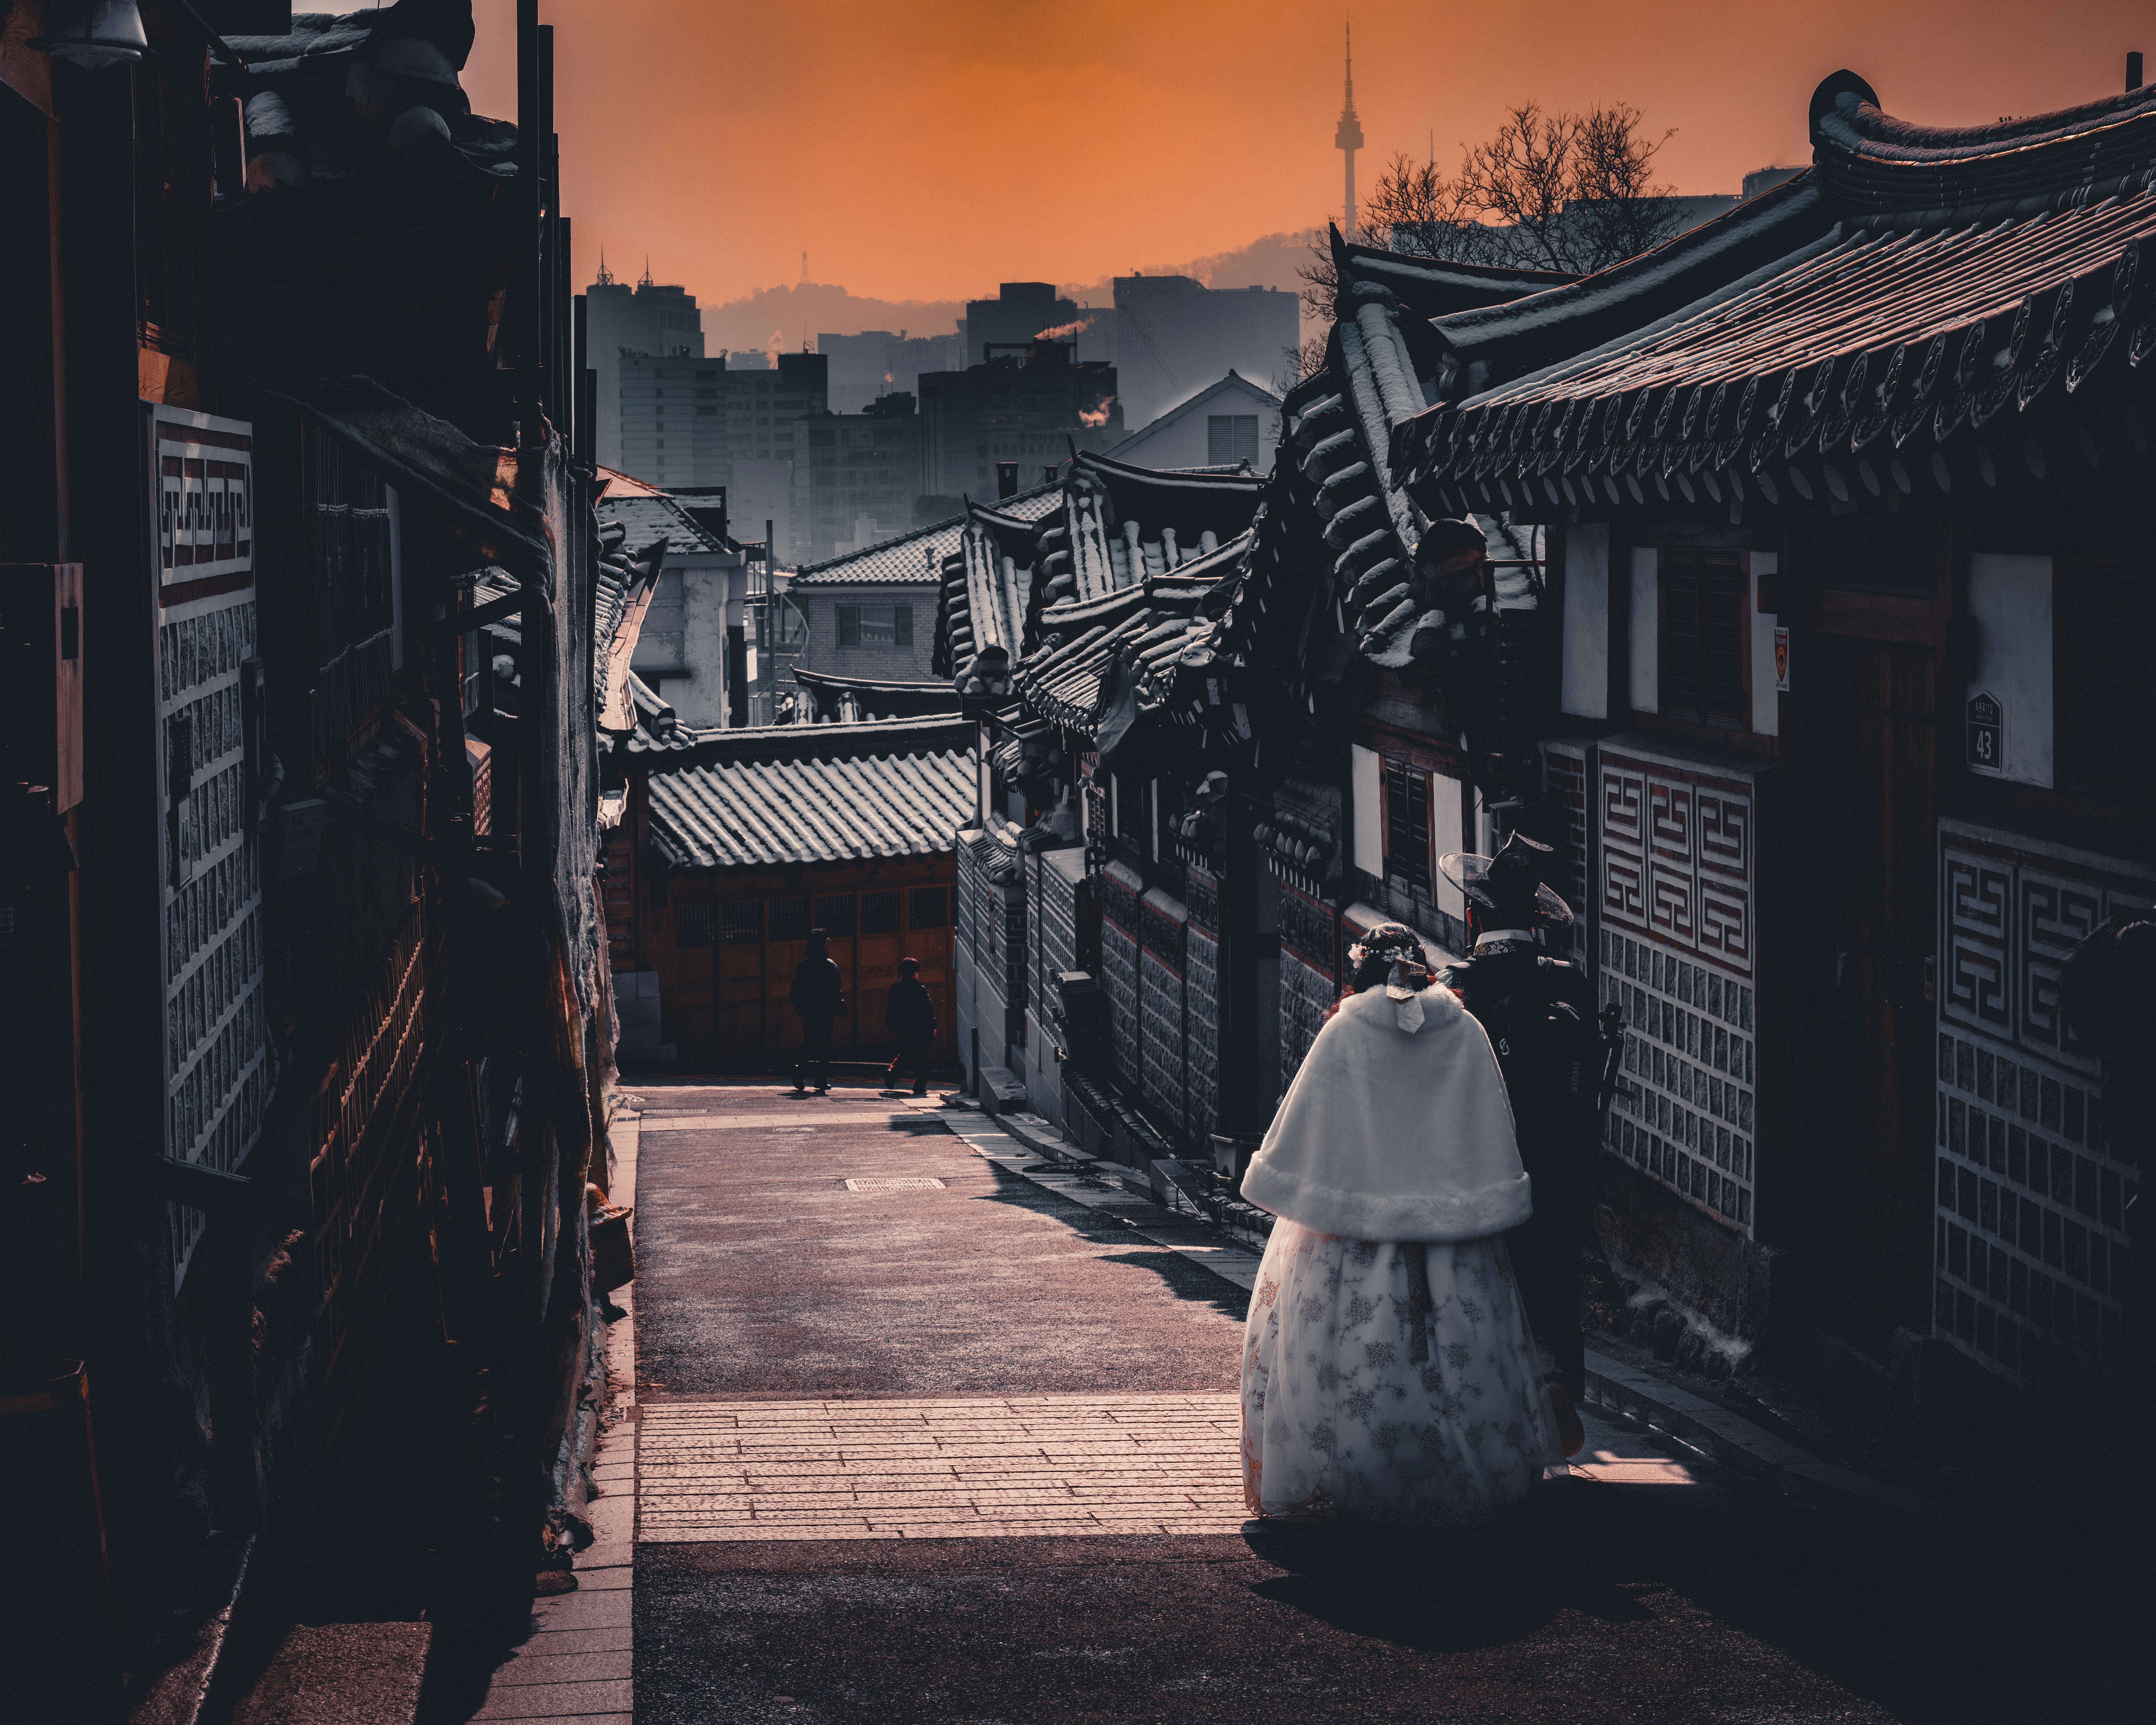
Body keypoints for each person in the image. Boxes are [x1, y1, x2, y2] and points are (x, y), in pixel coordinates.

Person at [1239, 923, 1561, 1526]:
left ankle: (1352, 1476)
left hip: (1350, 1238)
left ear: (1360, 972)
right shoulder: (1466, 1030)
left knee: (1337, 1357)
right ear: (1423, 969)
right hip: (1455, 1240)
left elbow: (1308, 1125)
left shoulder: (1344, 1031)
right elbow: (1491, 1123)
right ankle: (1459, 1475)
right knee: (1464, 1357)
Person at [1435, 832, 1606, 1459]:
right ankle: (1555, 1372)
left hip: (1483, 1167)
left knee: (1483, 1277)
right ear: (1538, 923)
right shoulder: (1569, 985)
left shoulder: (1459, 991)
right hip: (1559, 1167)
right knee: (1551, 1272)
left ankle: (1492, 1392)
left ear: (1475, 916)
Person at [789, 929, 845, 1095]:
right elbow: (837, 991)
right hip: (827, 1012)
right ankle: (821, 1080)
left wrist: (803, 1012)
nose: (829, 942)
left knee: (810, 1041)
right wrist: (839, 1008)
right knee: (825, 1045)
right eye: (827, 940)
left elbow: (795, 993)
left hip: (810, 1012)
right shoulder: (830, 965)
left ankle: (800, 1070)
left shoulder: (804, 965)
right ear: (823, 944)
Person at [883, 957, 937, 1097]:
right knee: (923, 1057)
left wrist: (891, 1024)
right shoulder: (920, 989)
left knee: (906, 1053)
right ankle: (920, 1086)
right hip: (921, 1029)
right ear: (916, 973)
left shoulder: (896, 989)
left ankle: (893, 1072)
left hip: (903, 1027)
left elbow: (891, 1010)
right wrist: (933, 1027)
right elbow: (928, 1010)